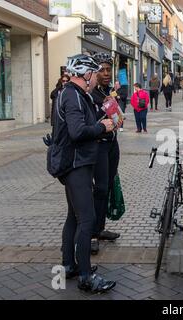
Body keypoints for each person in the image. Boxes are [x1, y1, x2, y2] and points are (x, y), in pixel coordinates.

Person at [53, 54, 116, 293]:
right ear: (86, 74)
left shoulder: (74, 94)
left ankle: (70, 265)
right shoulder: (73, 95)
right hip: (76, 165)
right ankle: (86, 277)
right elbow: (77, 132)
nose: (95, 78)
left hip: (74, 163)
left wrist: (102, 123)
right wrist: (103, 127)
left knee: (73, 217)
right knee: (87, 219)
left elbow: (77, 126)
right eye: (93, 73)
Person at [89, 52, 122, 255]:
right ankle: (92, 234)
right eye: (102, 70)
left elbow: (116, 117)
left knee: (108, 186)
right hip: (98, 146)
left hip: (112, 144)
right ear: (94, 72)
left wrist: (117, 111)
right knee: (99, 189)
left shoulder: (106, 92)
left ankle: (100, 229)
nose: (107, 73)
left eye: (109, 70)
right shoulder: (90, 94)